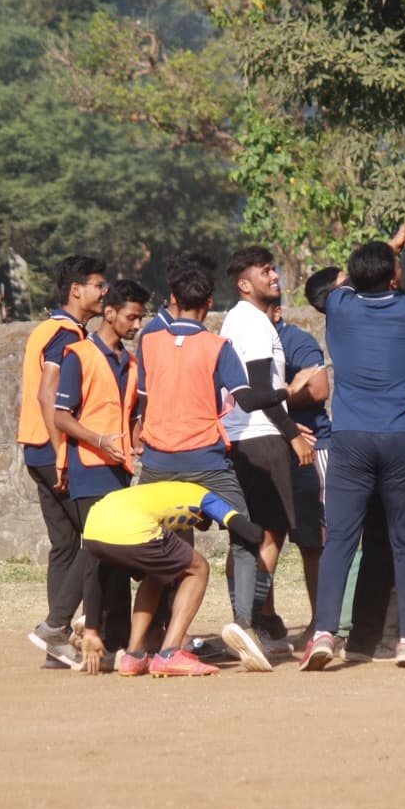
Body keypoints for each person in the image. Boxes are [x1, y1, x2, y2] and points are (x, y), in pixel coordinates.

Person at [134, 265, 319, 672]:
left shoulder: (147, 343)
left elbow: (142, 402)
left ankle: (141, 647)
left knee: (166, 549)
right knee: (246, 535)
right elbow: (249, 400)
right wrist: (287, 390)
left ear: (174, 300)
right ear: (208, 304)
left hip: (158, 463)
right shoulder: (217, 346)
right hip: (206, 462)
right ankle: (246, 625)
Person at [299, 240, 405, 671]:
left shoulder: (340, 306)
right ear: (395, 277)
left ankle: (324, 632)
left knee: (341, 540)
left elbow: (343, 282)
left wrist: (399, 243)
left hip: (350, 438)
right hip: (403, 438)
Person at [219, 246, 316, 652]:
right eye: (265, 272)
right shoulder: (254, 324)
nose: (274, 276)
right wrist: (291, 432)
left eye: (273, 269)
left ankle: (250, 620)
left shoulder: (241, 320)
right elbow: (260, 390)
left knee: (250, 534)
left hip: (245, 436)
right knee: (269, 532)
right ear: (245, 284)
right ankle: (251, 623)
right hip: (259, 435)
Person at [75, 481, 266, 677]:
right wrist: (265, 534)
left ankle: (133, 656)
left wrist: (91, 631)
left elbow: (93, 572)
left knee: (156, 575)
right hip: (134, 527)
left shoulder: (157, 492)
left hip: (94, 527)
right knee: (198, 568)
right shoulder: (202, 495)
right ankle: (170, 653)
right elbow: (246, 529)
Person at [52, 279, 151, 653]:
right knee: (97, 553)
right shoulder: (78, 355)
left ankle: (117, 641)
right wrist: (98, 440)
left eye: (140, 318)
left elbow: (128, 417)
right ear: (109, 314)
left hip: (118, 470)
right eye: (132, 317)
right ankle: (62, 625)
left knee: (116, 558)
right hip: (89, 468)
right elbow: (62, 416)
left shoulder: (131, 362)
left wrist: (136, 436)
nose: (137, 325)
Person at [18, 255, 107, 668]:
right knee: (98, 540)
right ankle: (55, 626)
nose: (104, 292)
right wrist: (61, 454)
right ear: (77, 289)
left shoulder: (45, 328)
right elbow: (47, 395)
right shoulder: (68, 334)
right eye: (98, 285)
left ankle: (57, 648)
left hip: (34, 447)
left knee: (66, 546)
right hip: (53, 450)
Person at [272, 302, 332, 636]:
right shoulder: (243, 339)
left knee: (315, 541)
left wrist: (273, 407)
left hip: (312, 448)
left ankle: (320, 624)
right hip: (268, 449)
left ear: (277, 313)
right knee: (263, 538)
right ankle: (264, 622)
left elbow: (320, 388)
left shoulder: (296, 340)